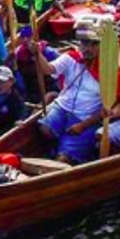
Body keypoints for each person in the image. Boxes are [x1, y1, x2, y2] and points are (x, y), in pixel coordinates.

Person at [31, 26, 105, 164]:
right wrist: (38, 53)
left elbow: (106, 110)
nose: (87, 48)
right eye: (84, 43)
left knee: (63, 160)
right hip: (63, 108)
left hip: (86, 118)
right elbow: (47, 69)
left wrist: (82, 125)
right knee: (45, 129)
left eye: (94, 44)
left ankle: (67, 150)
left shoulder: (109, 71)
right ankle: (60, 143)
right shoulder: (70, 58)